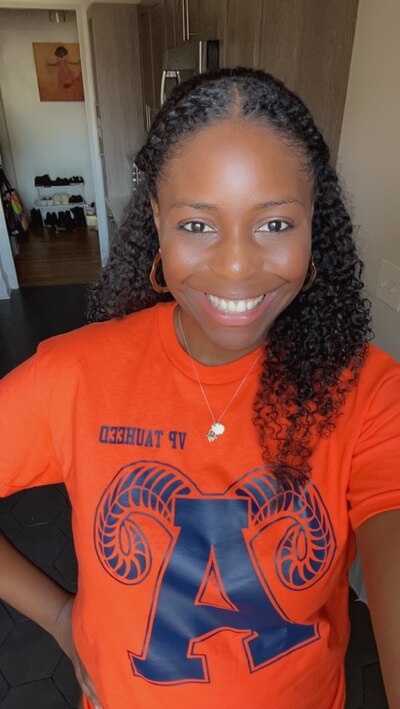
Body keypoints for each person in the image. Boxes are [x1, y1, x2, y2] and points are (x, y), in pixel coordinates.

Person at [0, 67, 399, 709]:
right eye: (196, 225)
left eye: (274, 224)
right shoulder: (73, 376)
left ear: (313, 223)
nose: (236, 266)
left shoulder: (368, 392)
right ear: (156, 218)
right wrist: (58, 618)